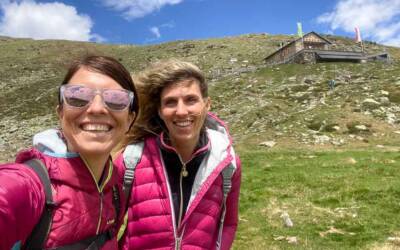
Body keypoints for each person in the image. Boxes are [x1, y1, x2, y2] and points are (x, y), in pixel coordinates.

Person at [0, 55, 139, 249]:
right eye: (78, 96)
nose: (97, 108)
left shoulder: (114, 187)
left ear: (130, 120)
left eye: (116, 99)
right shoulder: (26, 186)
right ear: (60, 112)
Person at [115, 59, 241, 250]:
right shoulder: (132, 159)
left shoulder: (227, 163)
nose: (181, 111)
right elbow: (108, 227)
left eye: (191, 100)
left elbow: (229, 223)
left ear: (207, 105)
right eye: (170, 102)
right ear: (160, 111)